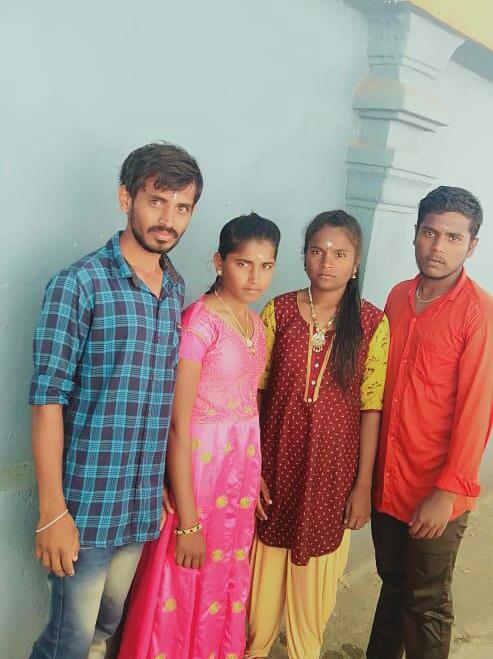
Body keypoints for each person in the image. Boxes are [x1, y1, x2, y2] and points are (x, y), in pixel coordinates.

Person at [28, 141, 203, 659]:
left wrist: (164, 484)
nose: (168, 219)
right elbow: (47, 400)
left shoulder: (174, 288)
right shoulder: (78, 285)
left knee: (105, 629)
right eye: (157, 201)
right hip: (85, 507)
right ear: (126, 199)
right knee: (67, 641)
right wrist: (52, 511)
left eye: (182, 207)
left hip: (140, 506)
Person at [118, 213, 281, 659]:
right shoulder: (199, 322)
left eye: (266, 265)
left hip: (238, 478)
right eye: (243, 263)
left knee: (223, 581)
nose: (255, 276)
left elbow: (247, 404)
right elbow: (178, 421)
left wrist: (253, 473)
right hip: (200, 475)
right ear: (219, 261)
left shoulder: (256, 325)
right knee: (184, 575)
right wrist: (187, 521)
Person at [246, 210, 389, 659]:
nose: (327, 262)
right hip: (274, 466)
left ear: (356, 261)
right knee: (259, 601)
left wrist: (362, 485)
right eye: (317, 251)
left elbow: (371, 407)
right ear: (304, 256)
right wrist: (252, 467)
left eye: (339, 254)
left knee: (312, 602)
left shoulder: (372, 323)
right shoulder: (279, 312)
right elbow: (255, 393)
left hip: (331, 475)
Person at [367, 186, 493, 659]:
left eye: (453, 238)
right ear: (416, 233)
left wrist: (446, 492)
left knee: (426, 602)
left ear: (472, 246)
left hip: (436, 489)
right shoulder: (398, 297)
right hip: (388, 482)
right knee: (393, 584)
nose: (438, 247)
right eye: (430, 233)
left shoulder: (479, 313)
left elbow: (477, 411)